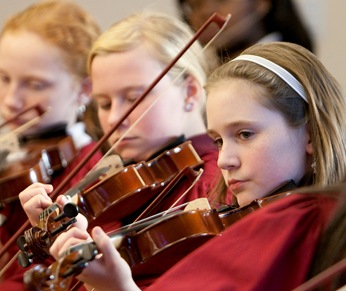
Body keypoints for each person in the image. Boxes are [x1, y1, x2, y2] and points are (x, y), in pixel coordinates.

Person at [46, 41, 346, 291]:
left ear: (309, 133)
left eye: (245, 134)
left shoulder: (297, 218)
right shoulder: (269, 217)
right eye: (218, 141)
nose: (226, 159)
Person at [18, 11, 228, 289]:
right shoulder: (114, 185)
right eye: (104, 104)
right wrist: (53, 235)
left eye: (133, 98)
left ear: (189, 91)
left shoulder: (218, 185)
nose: (116, 118)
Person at [0, 0, 102, 285]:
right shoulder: (12, 157)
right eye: (4, 78)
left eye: (34, 85)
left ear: (84, 89)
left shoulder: (91, 175)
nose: (11, 100)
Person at [177, 0, 314, 66]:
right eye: (194, 5)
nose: (205, 12)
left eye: (221, 0)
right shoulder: (201, 69)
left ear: (261, 3)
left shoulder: (288, 67)